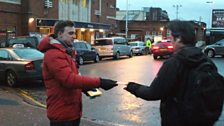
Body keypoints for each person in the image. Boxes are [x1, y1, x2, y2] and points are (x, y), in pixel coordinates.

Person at [124, 21, 218, 126]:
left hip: (178, 120)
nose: (170, 41)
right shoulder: (206, 61)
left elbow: (153, 93)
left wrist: (131, 86)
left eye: (171, 38)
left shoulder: (174, 63)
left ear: (179, 39)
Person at [38, 20, 118, 126]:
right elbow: (69, 80)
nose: (74, 36)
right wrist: (99, 82)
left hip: (72, 112)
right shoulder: (54, 54)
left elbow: (75, 78)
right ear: (60, 34)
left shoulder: (67, 52)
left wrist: (85, 87)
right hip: (62, 114)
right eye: (70, 33)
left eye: (74, 33)